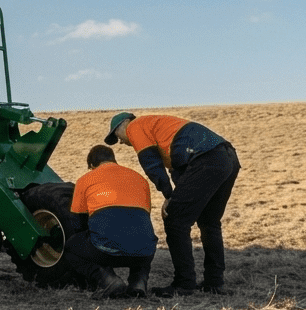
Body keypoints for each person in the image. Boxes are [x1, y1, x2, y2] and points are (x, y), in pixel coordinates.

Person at [105, 112, 240, 296]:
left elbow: (151, 164)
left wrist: (169, 197)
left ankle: (184, 283)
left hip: (205, 157)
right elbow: (181, 175)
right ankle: (214, 282)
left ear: (125, 123)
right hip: (226, 157)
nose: (120, 142)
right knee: (209, 222)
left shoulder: (136, 127)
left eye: (116, 135)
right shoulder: (161, 130)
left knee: (175, 221)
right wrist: (176, 195)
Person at [65, 145, 157, 298]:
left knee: (71, 247)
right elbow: (144, 215)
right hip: (145, 252)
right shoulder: (139, 178)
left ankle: (109, 281)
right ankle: (138, 283)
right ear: (113, 160)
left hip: (106, 250)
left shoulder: (86, 179)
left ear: (92, 165)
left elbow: (77, 221)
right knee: (143, 238)